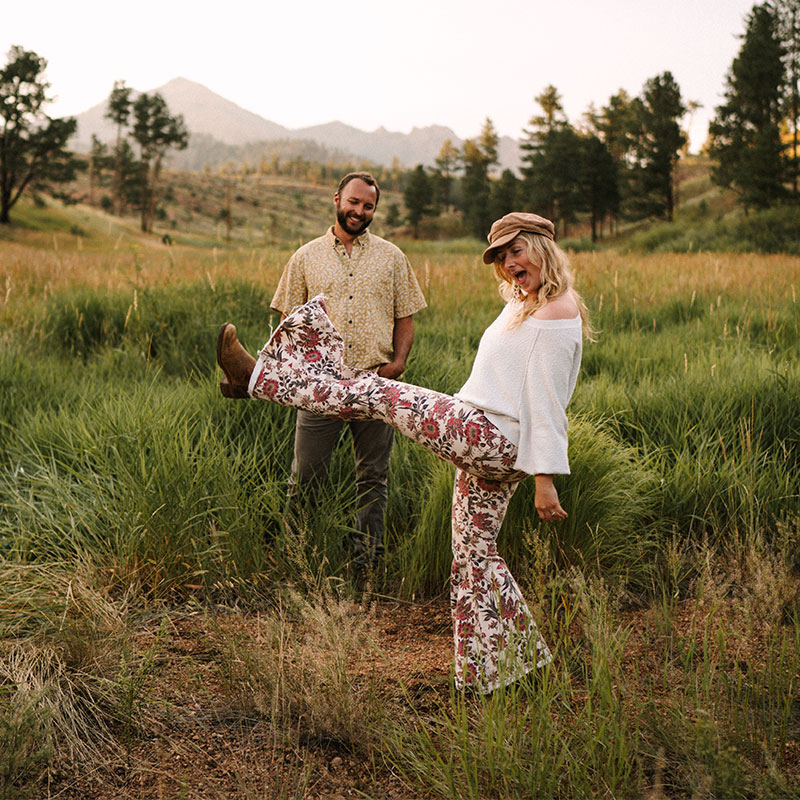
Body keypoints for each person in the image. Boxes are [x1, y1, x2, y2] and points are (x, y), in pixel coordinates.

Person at [217, 211, 589, 694]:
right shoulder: (530, 302)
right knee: (474, 556)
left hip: (490, 436)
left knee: (378, 393)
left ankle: (258, 379)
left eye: (516, 251)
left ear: (542, 245)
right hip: (488, 436)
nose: (508, 264)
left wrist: (545, 479)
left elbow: (546, 396)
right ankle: (502, 669)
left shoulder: (555, 312)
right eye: (500, 257)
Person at [269, 172, 427, 567]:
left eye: (368, 206)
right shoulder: (305, 257)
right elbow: (289, 320)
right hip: (321, 385)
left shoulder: (392, 257)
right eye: (353, 202)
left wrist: (400, 361)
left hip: (375, 382)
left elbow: (404, 316)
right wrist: (298, 375)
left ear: (375, 209)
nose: (359, 211)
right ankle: (298, 558)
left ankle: (367, 563)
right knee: (306, 476)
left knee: (373, 477)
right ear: (336, 198)